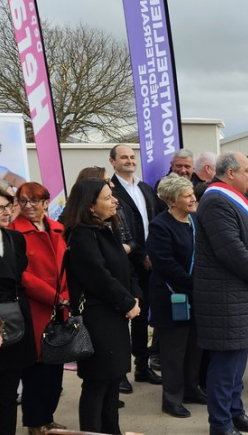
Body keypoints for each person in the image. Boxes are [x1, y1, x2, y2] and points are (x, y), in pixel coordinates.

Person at [194, 152, 248, 434]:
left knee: (237, 365)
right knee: (225, 366)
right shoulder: (216, 200)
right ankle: (221, 424)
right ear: (230, 173)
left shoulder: (233, 199)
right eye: (247, 170)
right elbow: (231, 251)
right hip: (225, 298)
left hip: (239, 295)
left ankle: (235, 413)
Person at [62, 179, 142, 433]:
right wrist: (127, 302)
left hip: (114, 316)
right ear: (90, 205)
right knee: (97, 384)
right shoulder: (82, 234)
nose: (114, 201)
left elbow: (124, 269)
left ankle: (111, 430)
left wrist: (135, 297)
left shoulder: (105, 229)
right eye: (107, 197)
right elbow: (99, 277)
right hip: (98, 319)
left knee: (111, 382)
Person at [8, 183, 69, 433]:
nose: (28, 206)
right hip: (35, 309)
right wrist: (55, 296)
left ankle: (48, 417)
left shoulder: (58, 228)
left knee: (56, 370)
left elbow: (68, 267)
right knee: (36, 371)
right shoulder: (13, 232)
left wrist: (66, 296)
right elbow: (21, 275)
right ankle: (35, 422)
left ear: (46, 203)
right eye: (23, 201)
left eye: (34, 201)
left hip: (60, 307)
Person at [146, 174, 204, 418]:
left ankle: (191, 389)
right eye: (187, 195)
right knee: (173, 351)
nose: (193, 198)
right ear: (172, 201)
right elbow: (166, 264)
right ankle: (171, 399)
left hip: (196, 295)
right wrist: (196, 283)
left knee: (194, 347)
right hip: (172, 299)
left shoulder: (195, 221)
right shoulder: (160, 225)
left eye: (192, 194)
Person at [108, 144, 161, 391]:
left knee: (142, 315)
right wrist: (141, 254)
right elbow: (123, 230)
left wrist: (152, 253)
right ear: (112, 162)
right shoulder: (110, 190)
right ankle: (119, 372)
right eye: (123, 157)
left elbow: (154, 223)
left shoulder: (145, 188)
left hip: (149, 262)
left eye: (132, 157)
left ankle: (142, 366)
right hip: (122, 263)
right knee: (120, 318)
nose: (129, 161)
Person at [0, 186, 36, 435]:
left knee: (9, 392)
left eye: (9, 206)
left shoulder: (15, 238)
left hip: (16, 321)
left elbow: (19, 275)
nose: (7, 212)